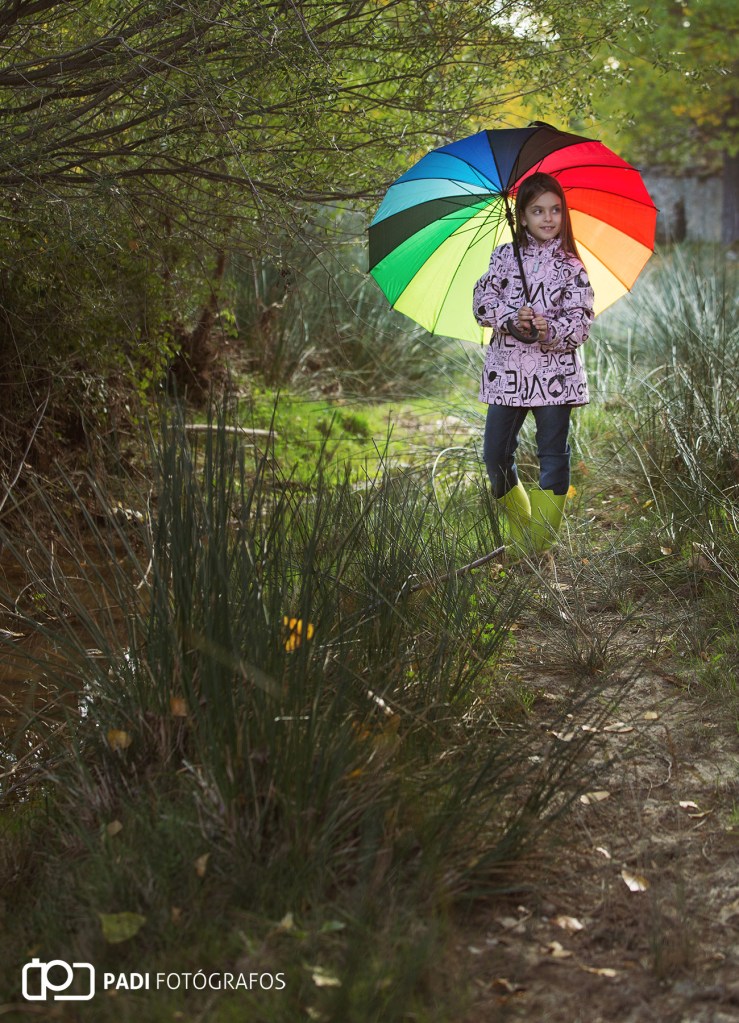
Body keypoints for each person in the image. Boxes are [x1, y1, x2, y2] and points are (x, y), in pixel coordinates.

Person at [472, 171, 594, 554]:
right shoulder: (503, 257)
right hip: (507, 375)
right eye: (538, 210)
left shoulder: (571, 266)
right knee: (495, 455)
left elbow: (581, 324)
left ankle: (537, 546)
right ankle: (523, 530)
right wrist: (511, 317)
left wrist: (548, 328)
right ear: (521, 216)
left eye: (555, 209)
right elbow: (480, 303)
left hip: (555, 378)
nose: (548, 217)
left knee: (552, 457)